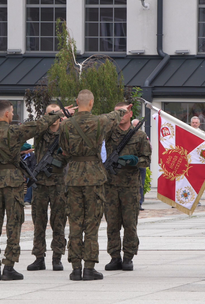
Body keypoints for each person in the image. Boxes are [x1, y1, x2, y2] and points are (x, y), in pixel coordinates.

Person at [0, 100, 68, 281]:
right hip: (12, 181)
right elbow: (37, 125)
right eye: (12, 111)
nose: (13, 114)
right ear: (7, 114)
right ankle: (9, 266)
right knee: (14, 224)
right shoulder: (14, 132)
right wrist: (59, 113)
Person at [59, 89, 131, 281]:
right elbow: (114, 116)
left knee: (75, 222)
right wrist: (123, 110)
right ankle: (89, 268)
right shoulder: (99, 121)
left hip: (73, 176)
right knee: (92, 223)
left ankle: (75, 268)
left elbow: (64, 150)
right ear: (91, 103)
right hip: (93, 177)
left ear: (77, 102)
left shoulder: (66, 125)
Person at [104, 102, 151, 272]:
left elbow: (147, 160)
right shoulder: (108, 133)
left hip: (130, 186)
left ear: (130, 114)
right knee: (112, 224)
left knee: (130, 223)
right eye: (117, 112)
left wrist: (135, 161)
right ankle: (114, 257)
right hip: (110, 185)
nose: (121, 115)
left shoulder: (139, 136)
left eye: (124, 112)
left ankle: (128, 256)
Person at [27, 104, 68, 272]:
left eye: (56, 112)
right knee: (39, 222)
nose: (54, 116)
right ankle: (39, 257)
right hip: (41, 184)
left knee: (59, 222)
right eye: (50, 113)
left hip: (59, 183)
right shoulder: (40, 132)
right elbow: (37, 125)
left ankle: (57, 257)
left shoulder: (65, 132)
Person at [132, 119, 147, 211]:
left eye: (139, 125)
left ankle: (139, 203)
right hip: (131, 163)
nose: (137, 127)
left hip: (141, 163)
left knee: (141, 184)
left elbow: (149, 148)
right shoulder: (128, 135)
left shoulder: (143, 135)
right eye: (135, 125)